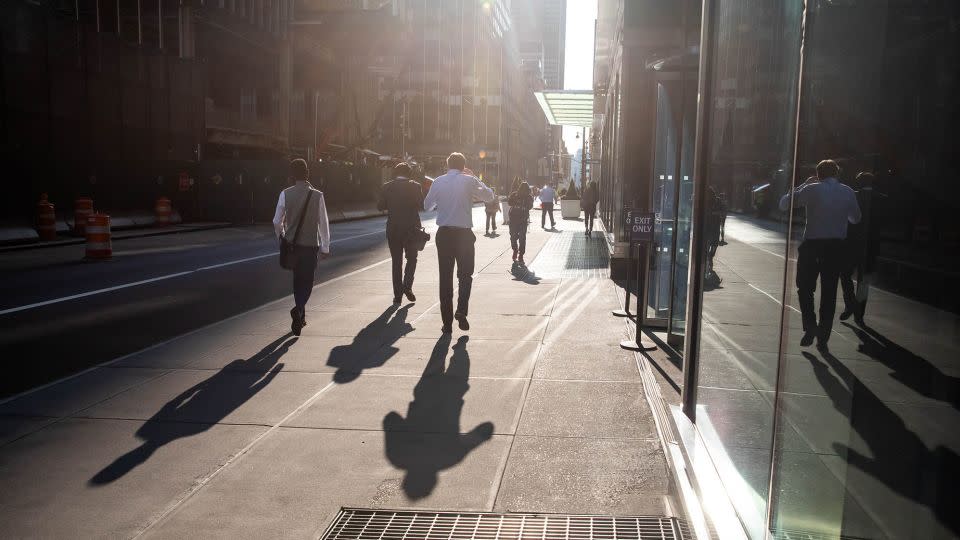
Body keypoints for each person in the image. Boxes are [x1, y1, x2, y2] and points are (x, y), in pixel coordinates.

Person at [779, 159, 861, 350]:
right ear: (837, 173)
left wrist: (803, 185)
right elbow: (856, 218)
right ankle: (824, 335)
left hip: (812, 246)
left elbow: (784, 204)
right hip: (835, 248)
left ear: (818, 174)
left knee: (805, 287)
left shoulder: (811, 189)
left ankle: (810, 326)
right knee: (829, 291)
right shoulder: (848, 191)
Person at [423, 152, 495, 333]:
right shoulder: (469, 180)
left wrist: (441, 202)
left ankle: (446, 323)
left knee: (445, 278)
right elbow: (489, 197)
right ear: (463, 166)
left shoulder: (438, 181)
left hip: (444, 235)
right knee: (465, 275)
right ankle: (461, 311)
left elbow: (427, 206)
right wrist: (473, 178)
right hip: (463, 235)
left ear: (447, 165)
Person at [273, 158, 331, 336]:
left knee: (298, 280)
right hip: (310, 245)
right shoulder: (317, 195)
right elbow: (323, 222)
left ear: (291, 175)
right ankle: (298, 310)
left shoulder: (285, 193)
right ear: (307, 173)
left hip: (292, 246)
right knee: (308, 281)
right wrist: (325, 247)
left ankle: (301, 315)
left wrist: (281, 236)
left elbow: (276, 221)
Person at [378, 162, 423, 304]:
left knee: (396, 262)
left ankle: (397, 295)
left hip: (393, 229)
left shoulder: (386, 187)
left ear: (395, 173)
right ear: (409, 173)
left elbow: (380, 206)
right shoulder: (415, 186)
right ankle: (407, 286)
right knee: (412, 258)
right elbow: (421, 205)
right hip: (412, 229)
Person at [839, 171, 880, 325]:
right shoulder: (881, 199)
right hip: (871, 246)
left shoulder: (852, 196)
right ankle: (859, 314)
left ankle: (850, 304)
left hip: (851, 244)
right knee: (864, 281)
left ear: (859, 182)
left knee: (845, 275)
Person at [508, 182, 534, 265]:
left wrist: (525, 201)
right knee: (517, 237)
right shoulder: (514, 195)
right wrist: (516, 199)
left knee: (517, 237)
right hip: (515, 219)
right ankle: (517, 252)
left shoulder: (528, 197)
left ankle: (519, 254)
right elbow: (509, 202)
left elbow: (530, 206)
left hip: (520, 220)